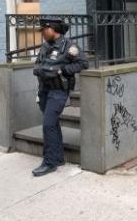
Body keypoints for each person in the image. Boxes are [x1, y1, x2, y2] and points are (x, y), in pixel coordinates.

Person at [31, 16, 88, 177]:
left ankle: (49, 163)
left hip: (58, 90)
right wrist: (43, 70)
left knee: (48, 124)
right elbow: (38, 65)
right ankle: (58, 158)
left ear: (53, 29)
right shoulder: (45, 46)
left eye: (44, 30)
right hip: (44, 89)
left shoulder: (69, 46)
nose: (42, 32)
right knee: (52, 124)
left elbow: (83, 63)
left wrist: (63, 70)